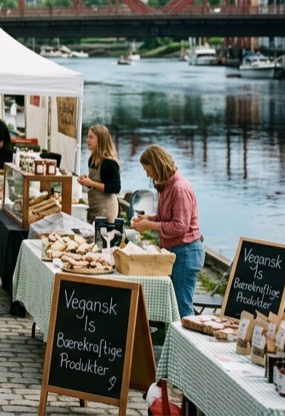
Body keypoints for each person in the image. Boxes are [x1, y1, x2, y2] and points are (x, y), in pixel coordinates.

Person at [131, 145, 203, 317]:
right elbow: (167, 217)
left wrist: (150, 226)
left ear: (157, 165)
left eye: (148, 170)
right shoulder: (166, 185)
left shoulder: (180, 188)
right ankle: (173, 338)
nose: (148, 175)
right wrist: (149, 218)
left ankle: (187, 342)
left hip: (186, 252)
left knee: (182, 306)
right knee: (174, 305)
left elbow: (180, 226)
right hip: (175, 251)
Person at [78, 124, 121, 223]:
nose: (87, 140)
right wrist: (86, 181)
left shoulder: (109, 162)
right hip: (94, 207)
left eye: (91, 137)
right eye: (88, 136)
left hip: (107, 209)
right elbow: (96, 182)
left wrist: (91, 183)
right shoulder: (92, 159)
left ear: (100, 140)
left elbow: (115, 188)